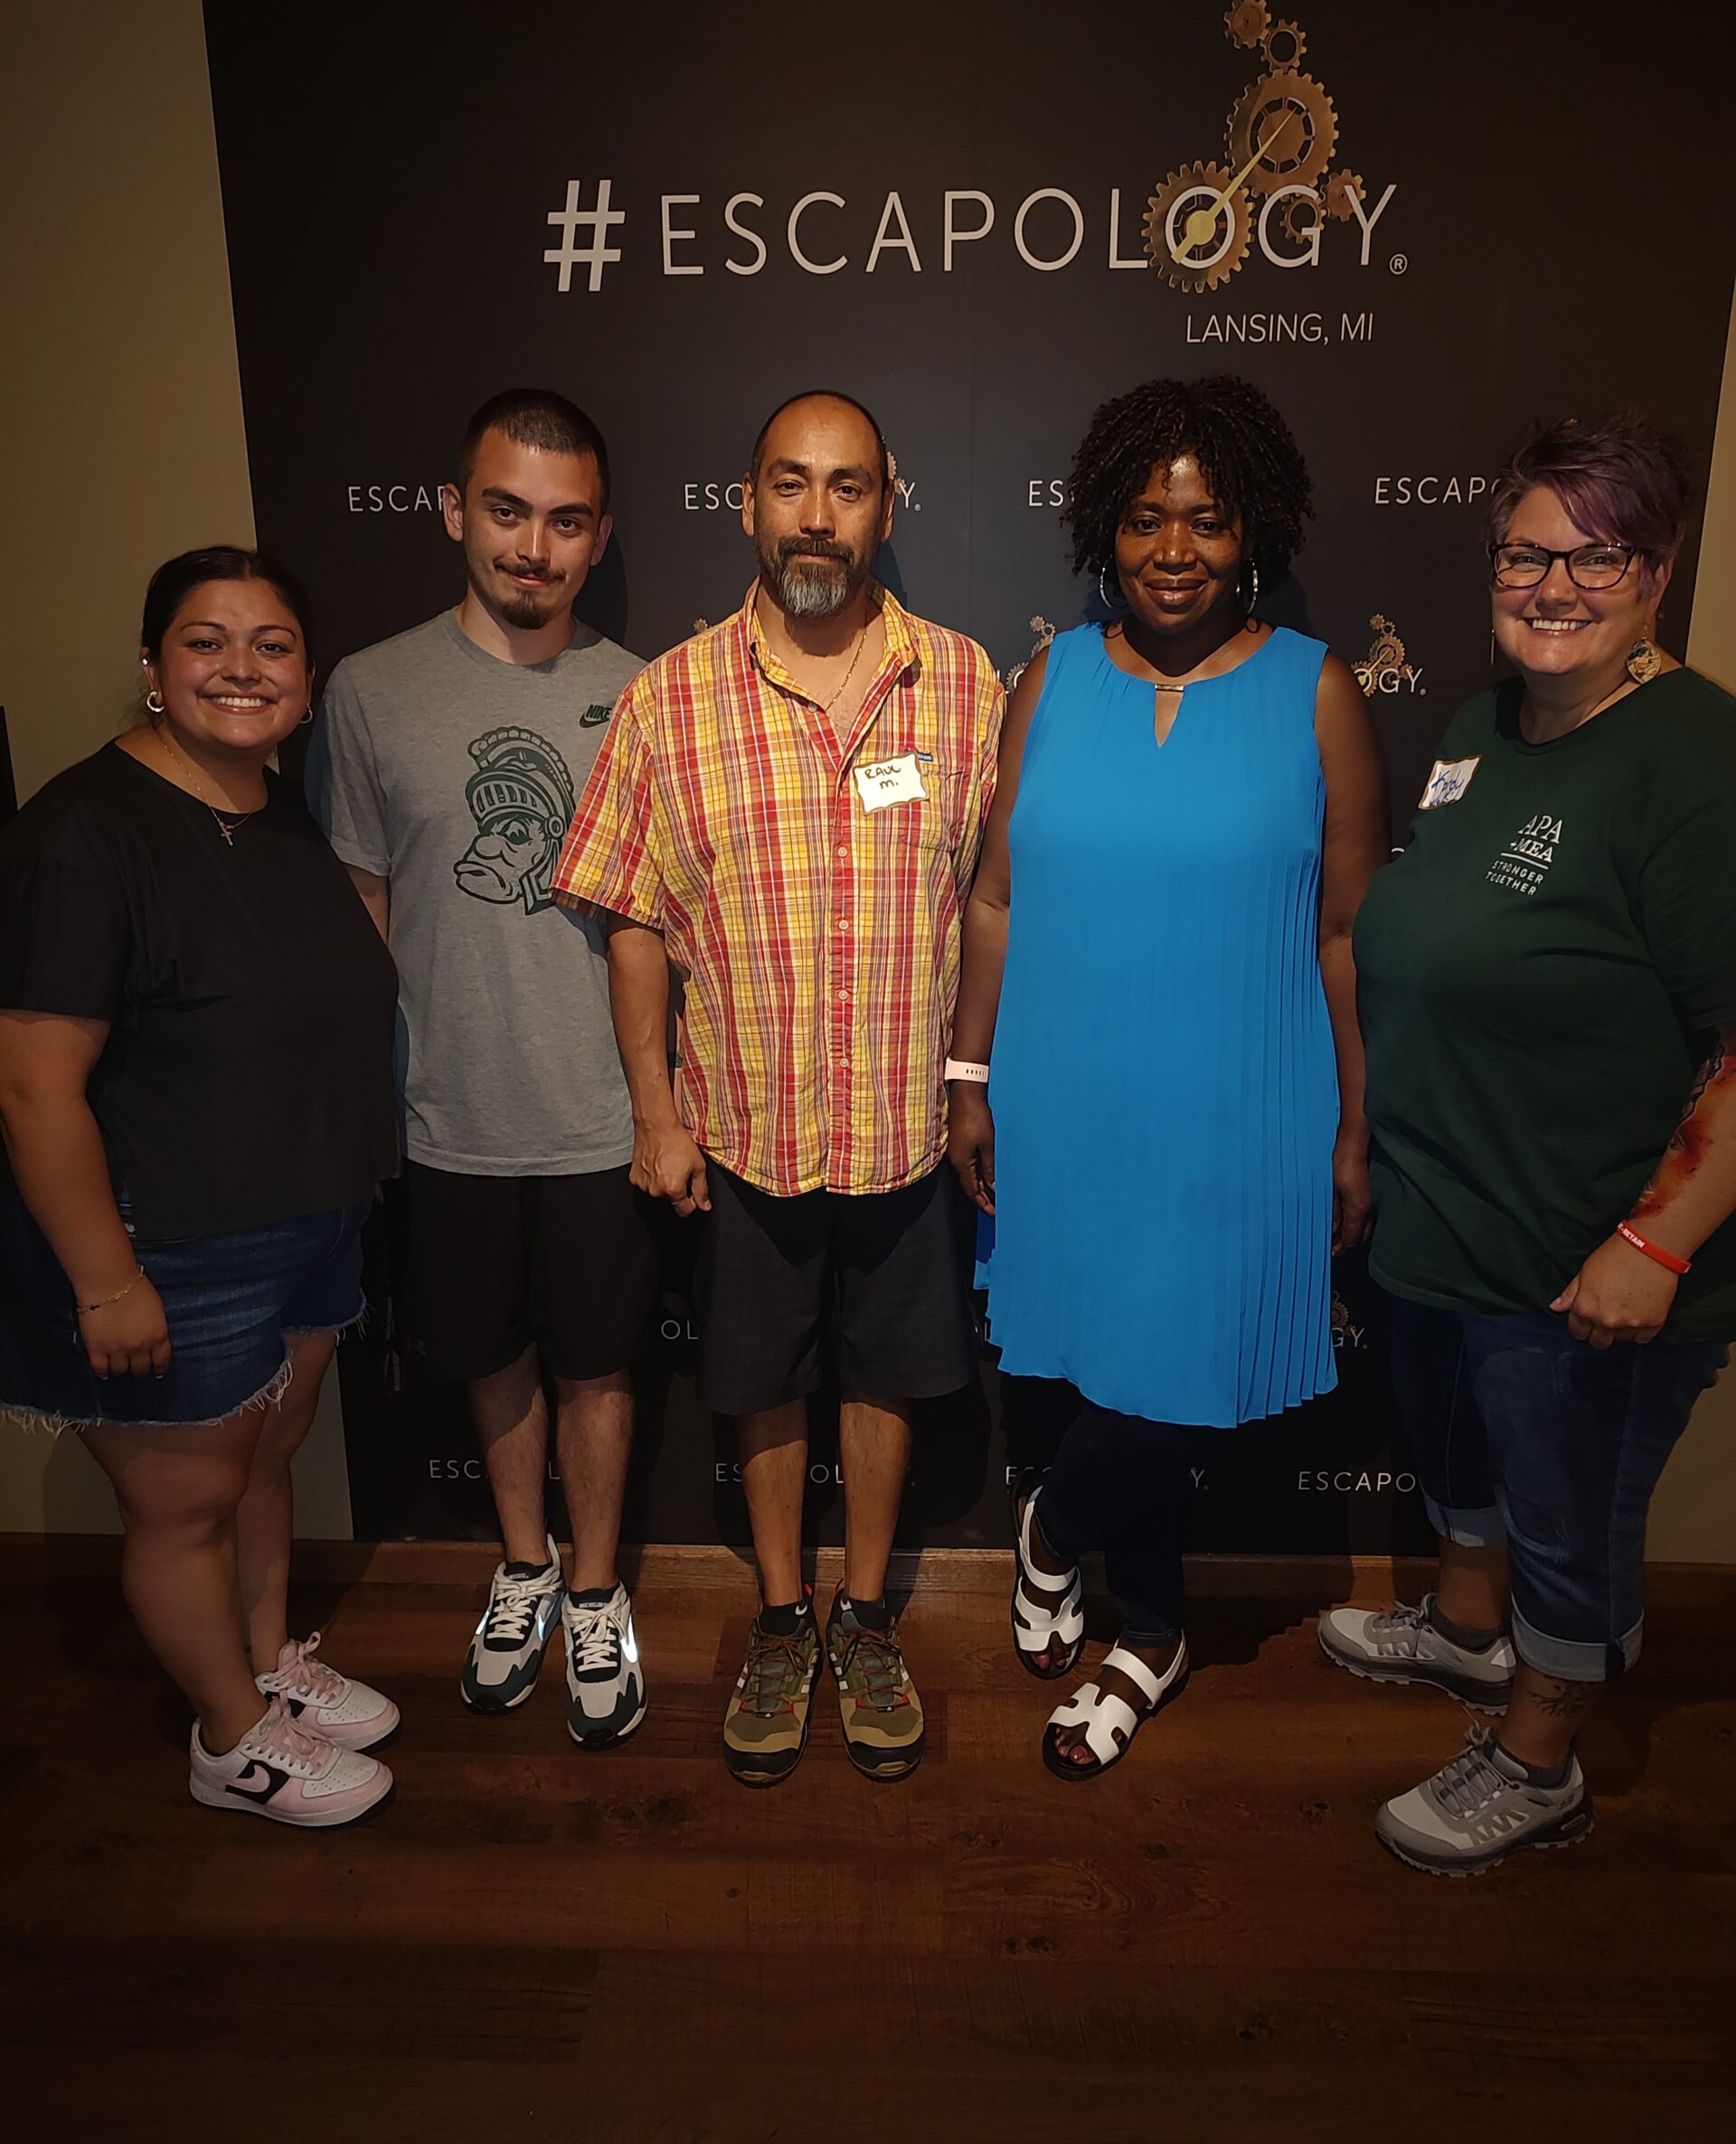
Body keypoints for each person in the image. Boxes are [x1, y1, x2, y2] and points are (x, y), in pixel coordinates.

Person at [553, 390, 1003, 1786]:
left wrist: (974, 1078)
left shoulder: (968, 685)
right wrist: (655, 1109)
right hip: (742, 1128)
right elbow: (631, 914)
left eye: (849, 487)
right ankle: (777, 1615)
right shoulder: (670, 699)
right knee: (757, 1386)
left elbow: (997, 902)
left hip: (901, 1132)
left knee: (884, 1379)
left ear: (889, 502)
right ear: (745, 501)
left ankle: (865, 1618)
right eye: (791, 485)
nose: (819, 516)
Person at [950, 374, 1387, 1779]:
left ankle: (1052, 1529)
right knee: (1104, 1370)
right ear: (1105, 528)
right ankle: (1151, 1631)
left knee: (1171, 1383)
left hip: (1243, 1112)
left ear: (1251, 526)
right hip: (1066, 1098)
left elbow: (1346, 933)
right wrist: (969, 1073)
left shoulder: (1315, 687)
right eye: (1146, 518)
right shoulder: (1052, 678)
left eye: (1205, 518)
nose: (1174, 548)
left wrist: (1357, 1127)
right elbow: (997, 896)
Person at [1324, 411, 1736, 1875]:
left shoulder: (1695, 760)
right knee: (1466, 1468)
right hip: (1453, 1223)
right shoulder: (1483, 726)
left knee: (1570, 1522)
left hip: (1585, 1258)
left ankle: (1539, 1761)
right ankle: (1464, 1632)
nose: (1550, 586)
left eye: (1594, 556)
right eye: (1523, 554)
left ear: (1659, 567)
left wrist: (1654, 1240)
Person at [0, 548, 399, 1827]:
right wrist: (105, 1282)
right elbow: (32, 1089)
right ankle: (231, 1743)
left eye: (272, 645)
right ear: (153, 666)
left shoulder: (274, 807)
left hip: (303, 1215)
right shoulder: (81, 834)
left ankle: (267, 1669)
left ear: (306, 674)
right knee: (184, 1508)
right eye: (207, 642)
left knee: (265, 1463)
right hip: (166, 1241)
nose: (241, 669)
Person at [307, 391, 658, 1745]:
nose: (534, 546)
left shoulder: (638, 694)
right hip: (445, 1116)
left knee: (601, 1365)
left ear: (599, 536)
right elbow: (362, 914)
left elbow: (658, 923)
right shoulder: (369, 690)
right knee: (493, 1356)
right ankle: (522, 1565)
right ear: (456, 512)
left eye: (565, 522)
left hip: (604, 1116)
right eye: (507, 511)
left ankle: (596, 1589)